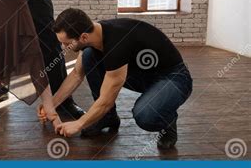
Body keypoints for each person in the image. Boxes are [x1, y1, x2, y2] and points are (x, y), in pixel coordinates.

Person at [39, 8, 193, 149]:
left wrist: (79, 124)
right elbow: (76, 75)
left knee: (145, 115)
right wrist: (51, 105)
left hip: (174, 77)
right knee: (88, 56)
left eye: (66, 44)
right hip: (143, 75)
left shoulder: (117, 43)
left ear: (83, 37)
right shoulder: (94, 33)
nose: (63, 48)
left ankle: (168, 119)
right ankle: (107, 118)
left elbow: (106, 101)